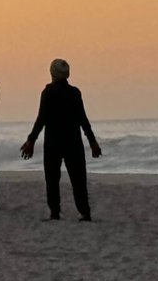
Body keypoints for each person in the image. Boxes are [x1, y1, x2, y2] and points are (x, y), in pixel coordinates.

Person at [21, 59, 101, 221]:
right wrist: (92, 142)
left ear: (52, 73)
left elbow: (41, 119)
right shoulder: (74, 93)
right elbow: (82, 119)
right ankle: (85, 212)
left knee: (52, 179)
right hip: (73, 142)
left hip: (53, 143)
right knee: (78, 180)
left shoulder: (48, 93)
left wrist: (31, 140)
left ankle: (55, 212)